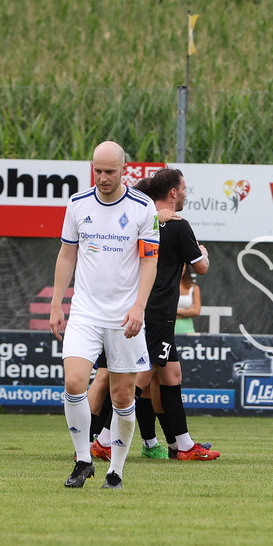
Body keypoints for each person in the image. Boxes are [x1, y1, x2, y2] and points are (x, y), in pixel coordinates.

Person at [51, 141, 159, 489]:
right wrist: (56, 303)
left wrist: (139, 306)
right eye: (97, 170)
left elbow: (149, 260)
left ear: (124, 169)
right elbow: (67, 255)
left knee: (123, 397)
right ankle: (83, 460)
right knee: (73, 382)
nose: (103, 177)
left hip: (123, 316)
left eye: (110, 171)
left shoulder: (143, 207)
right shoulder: (78, 204)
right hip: (84, 312)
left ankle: (117, 469)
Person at [133, 168, 218, 461]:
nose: (185, 194)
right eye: (183, 188)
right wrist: (203, 253)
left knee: (171, 374)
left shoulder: (141, 222)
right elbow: (202, 267)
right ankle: (105, 438)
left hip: (140, 306)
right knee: (140, 378)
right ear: (172, 192)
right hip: (158, 311)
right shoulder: (179, 225)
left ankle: (182, 444)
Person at [175, 266, 200, 335]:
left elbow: (196, 311)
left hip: (187, 329)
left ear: (186, 268)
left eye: (182, 266)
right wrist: (187, 312)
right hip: (168, 328)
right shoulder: (164, 288)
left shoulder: (194, 288)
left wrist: (174, 312)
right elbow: (163, 310)